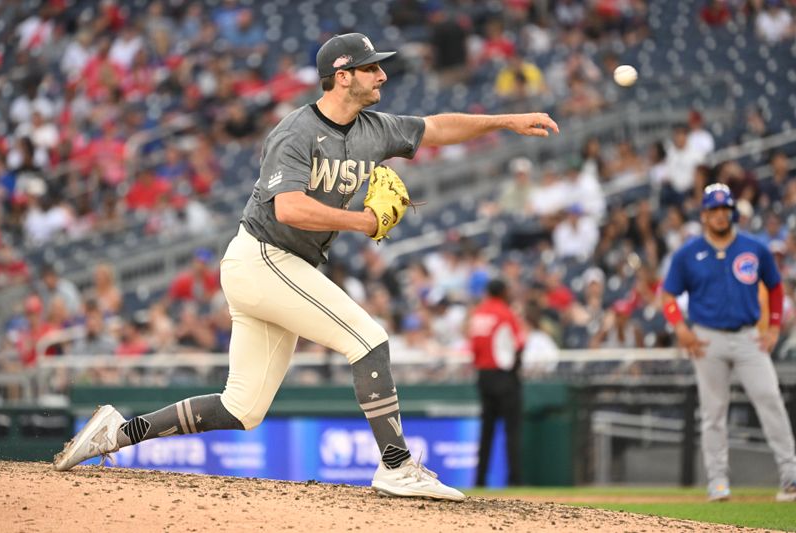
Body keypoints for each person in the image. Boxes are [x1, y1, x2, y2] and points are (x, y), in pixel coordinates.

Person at [52, 32, 559, 500]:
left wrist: (504, 121)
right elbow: (288, 208)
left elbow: (435, 128)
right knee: (367, 337)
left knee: (241, 409)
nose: (382, 75)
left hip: (282, 266)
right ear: (344, 76)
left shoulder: (374, 129)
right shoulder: (296, 130)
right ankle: (397, 465)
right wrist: (363, 222)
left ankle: (117, 433)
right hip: (262, 258)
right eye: (371, 68)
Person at [661, 183, 796, 502]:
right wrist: (679, 327)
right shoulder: (688, 253)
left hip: (748, 335)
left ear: (732, 212)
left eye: (725, 209)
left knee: (770, 399)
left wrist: (774, 326)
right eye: (714, 209)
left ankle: (791, 474)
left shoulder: (754, 248)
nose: (721, 215)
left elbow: (775, 288)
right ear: (704, 214)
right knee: (713, 412)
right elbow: (668, 296)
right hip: (707, 338)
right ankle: (718, 481)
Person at [468, 278, 525, 487]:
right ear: (502, 292)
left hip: (483, 376)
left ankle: (480, 480)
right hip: (504, 376)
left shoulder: (478, 314)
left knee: (487, 431)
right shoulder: (505, 312)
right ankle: (515, 480)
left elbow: (473, 348)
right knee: (512, 430)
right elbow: (519, 343)